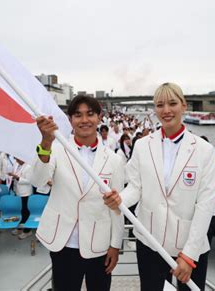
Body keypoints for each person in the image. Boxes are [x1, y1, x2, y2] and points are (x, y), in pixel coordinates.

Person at [104, 82, 215, 291]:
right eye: (160, 105)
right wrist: (120, 200)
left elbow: (205, 204)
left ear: (184, 106)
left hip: (189, 246)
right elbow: (136, 188)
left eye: (172, 103)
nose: (166, 110)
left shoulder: (204, 151)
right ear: (154, 109)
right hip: (150, 241)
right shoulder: (142, 145)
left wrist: (189, 255)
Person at [30, 95, 125, 291]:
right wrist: (45, 143)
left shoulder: (114, 160)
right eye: (78, 115)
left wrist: (115, 245)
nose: (84, 120)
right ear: (70, 120)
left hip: (98, 244)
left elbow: (118, 208)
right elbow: (38, 181)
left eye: (90, 114)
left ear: (99, 117)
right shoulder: (55, 150)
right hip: (63, 243)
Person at [8, 158, 33, 239]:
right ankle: (20, 228)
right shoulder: (16, 164)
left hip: (25, 193)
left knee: (25, 211)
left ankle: (27, 231)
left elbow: (29, 181)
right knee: (20, 211)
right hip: (17, 191)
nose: (16, 160)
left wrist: (18, 178)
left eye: (17, 159)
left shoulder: (29, 167)